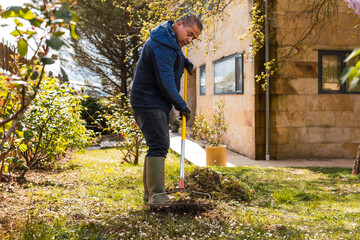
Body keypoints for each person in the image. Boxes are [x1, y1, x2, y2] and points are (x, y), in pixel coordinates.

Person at [130, 14, 202, 205]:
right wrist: (181, 105)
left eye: (193, 38)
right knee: (160, 143)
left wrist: (183, 62)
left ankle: (151, 195)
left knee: (156, 144)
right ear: (179, 24)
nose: (189, 39)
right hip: (148, 100)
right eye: (189, 34)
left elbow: (171, 59)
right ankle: (158, 196)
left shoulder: (169, 39)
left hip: (153, 100)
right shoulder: (162, 43)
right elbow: (166, 81)